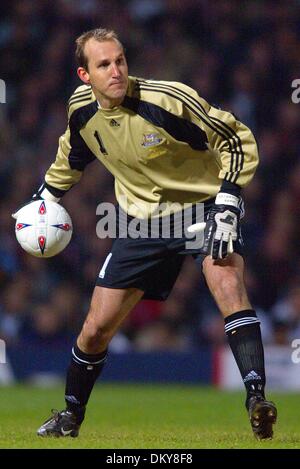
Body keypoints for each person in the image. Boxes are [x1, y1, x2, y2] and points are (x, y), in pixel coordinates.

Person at [16, 28, 277, 439]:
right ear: (85, 75)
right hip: (142, 221)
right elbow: (73, 154)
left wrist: (227, 201)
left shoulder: (167, 100)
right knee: (96, 328)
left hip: (202, 206)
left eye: (120, 60)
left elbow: (236, 137)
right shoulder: (81, 110)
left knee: (228, 286)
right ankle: (70, 416)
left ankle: (256, 397)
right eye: (104, 65)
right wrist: (45, 196)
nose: (117, 71)